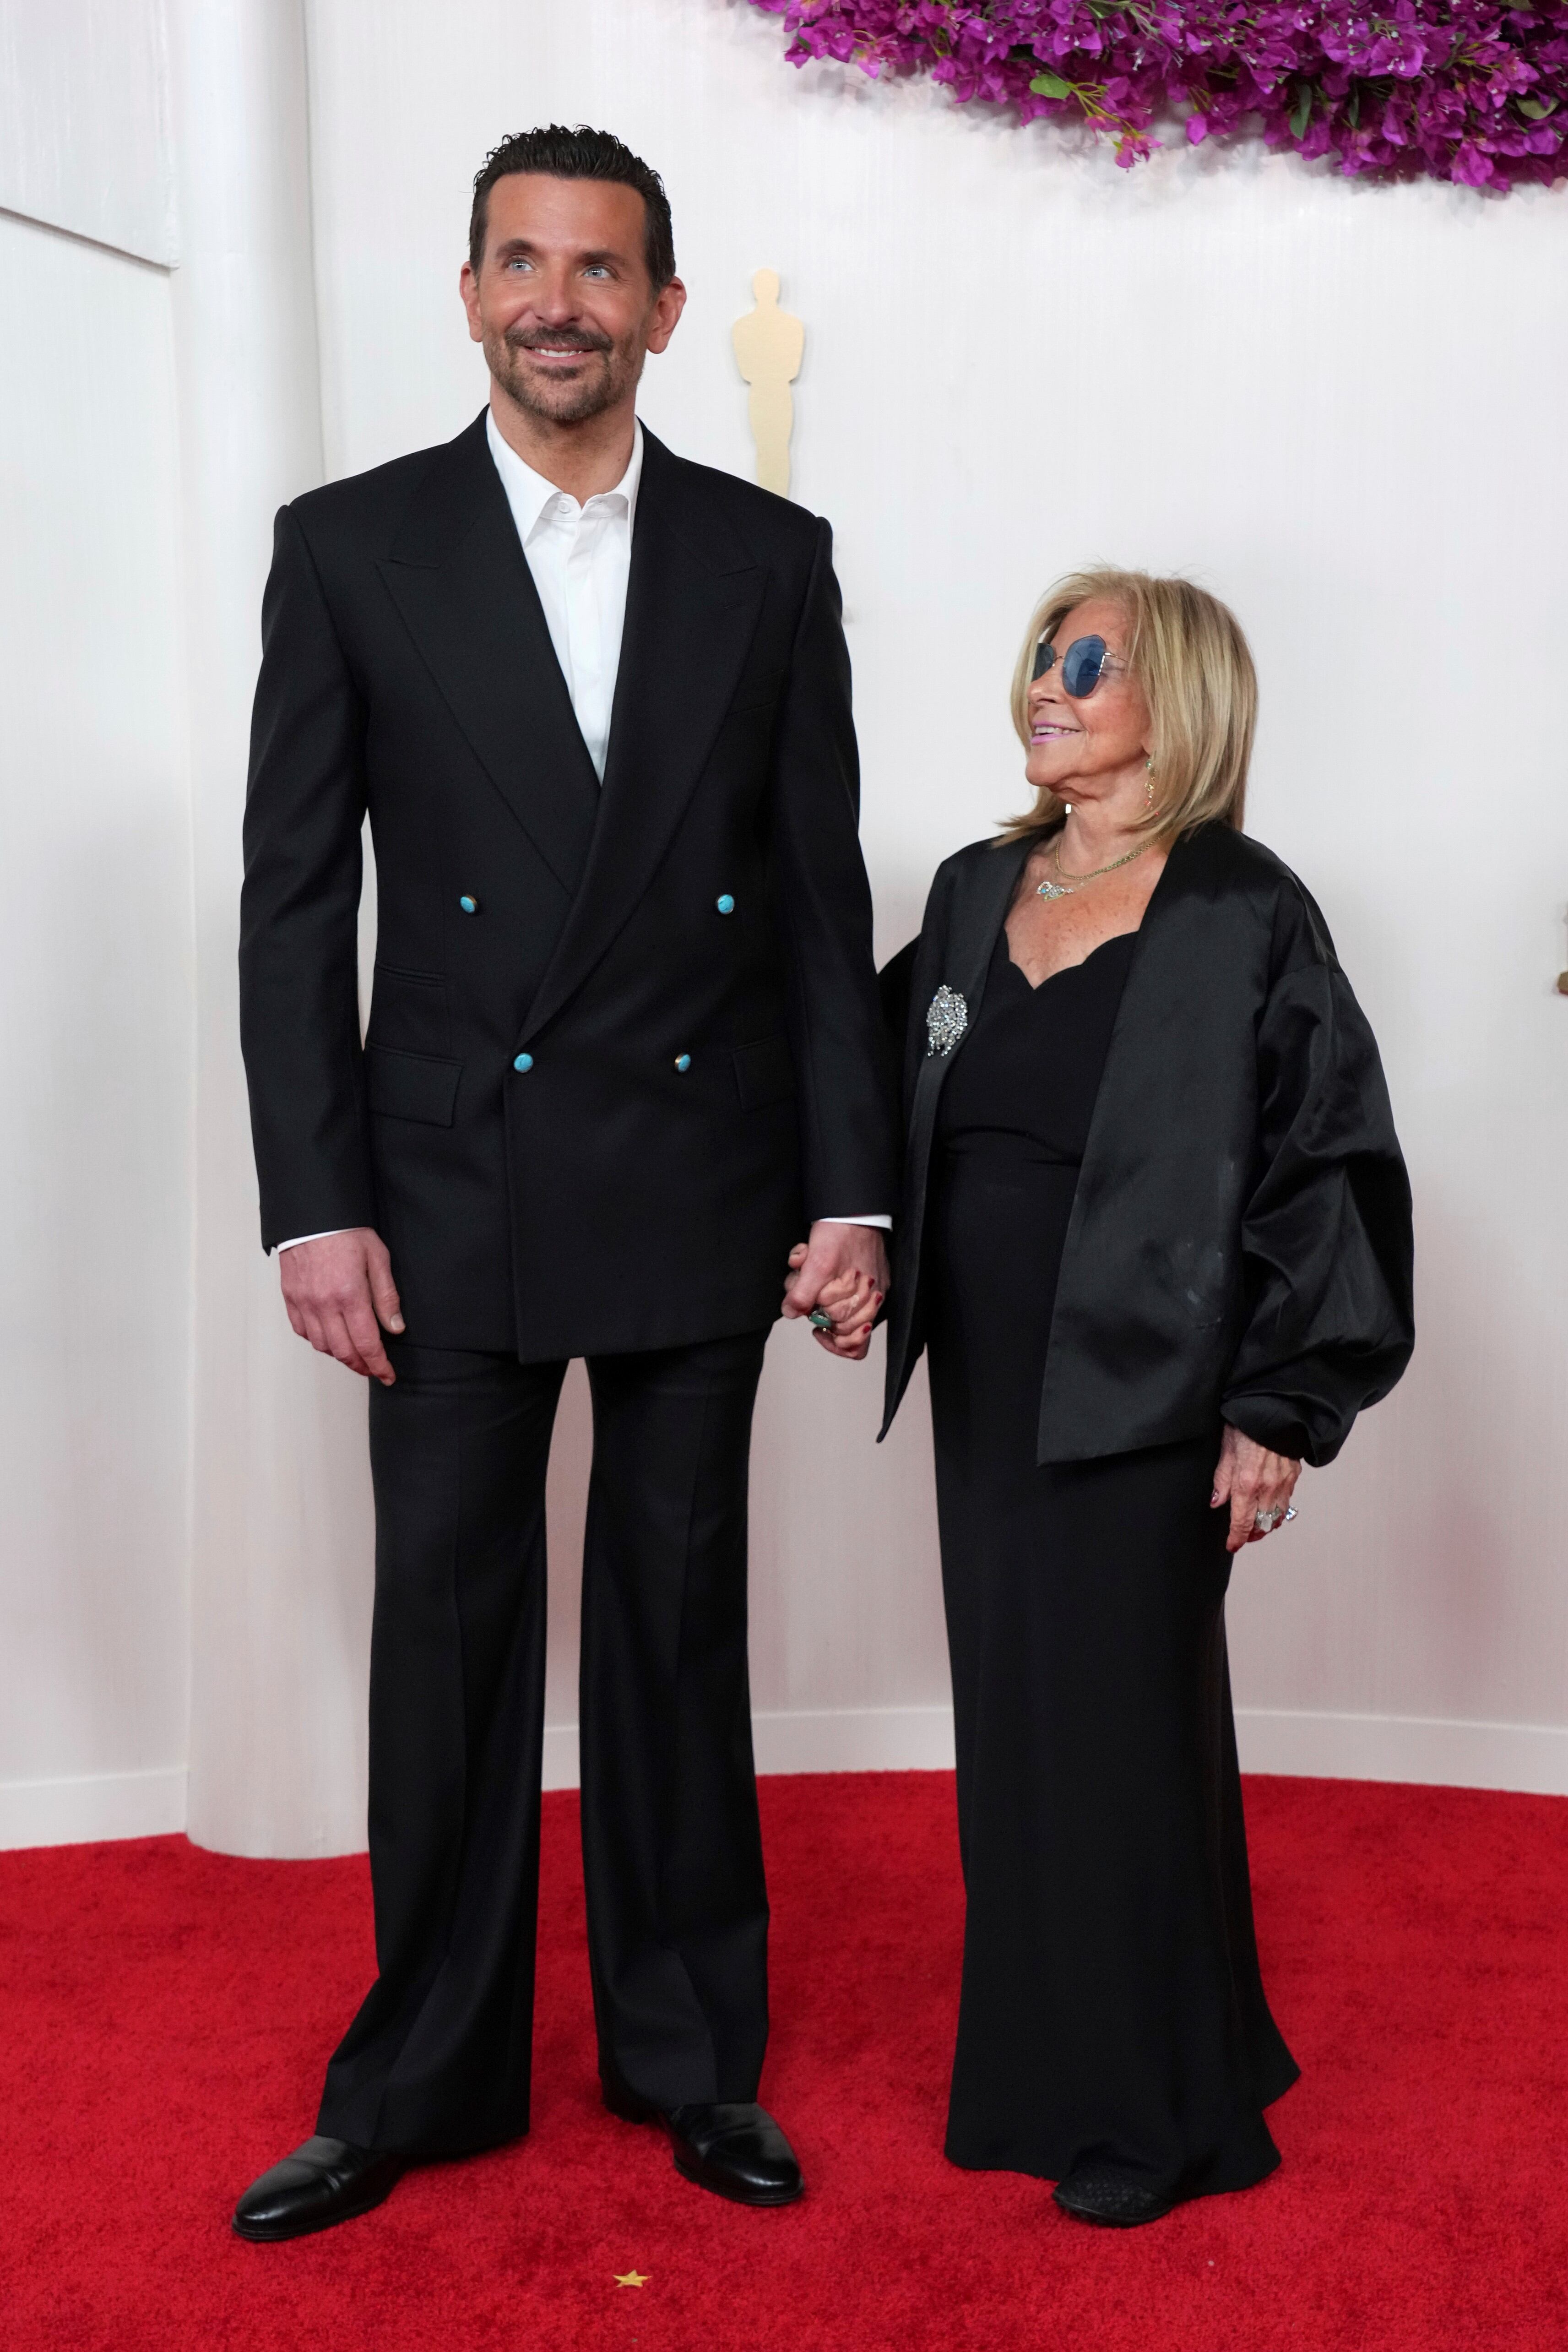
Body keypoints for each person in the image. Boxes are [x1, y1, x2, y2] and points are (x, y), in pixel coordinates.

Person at [232, 124, 895, 2242]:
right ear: (466, 293)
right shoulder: (348, 545)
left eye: (599, 270)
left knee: (676, 1625)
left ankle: (691, 2061)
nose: (557, 301)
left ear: (662, 311)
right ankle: (413, 2078)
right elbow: (286, 910)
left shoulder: (767, 560)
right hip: (438, 1186)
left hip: (703, 1168)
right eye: (520, 261)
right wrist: (307, 1196)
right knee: (442, 1631)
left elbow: (814, 905)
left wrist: (855, 1185)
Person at [874, 568, 1414, 2226]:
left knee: (1122, 1742)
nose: (1050, 679)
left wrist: (1278, 1399)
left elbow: (1325, 1159)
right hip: (988, 1391)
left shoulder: (1242, 905)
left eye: (1088, 661)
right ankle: (1041, 2079)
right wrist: (853, 1252)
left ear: (1174, 701)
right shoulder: (974, 888)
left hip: (1153, 1388)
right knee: (1018, 1734)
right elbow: (887, 1093)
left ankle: (1169, 2113)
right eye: (1043, 652)